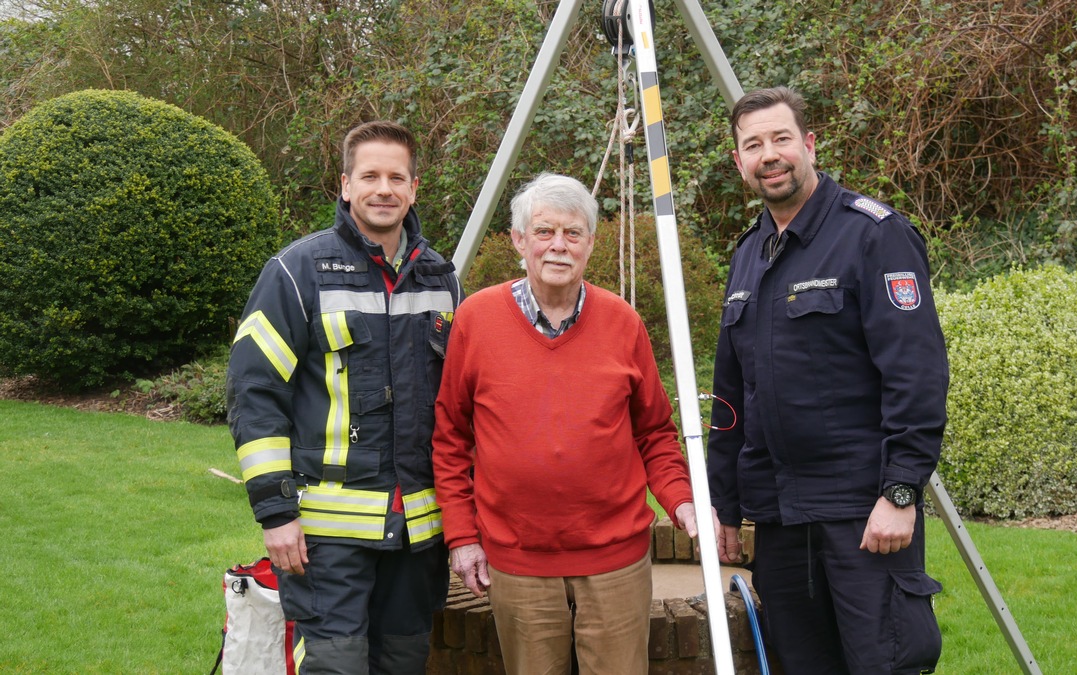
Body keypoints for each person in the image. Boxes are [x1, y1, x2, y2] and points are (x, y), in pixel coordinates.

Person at [707, 86, 949, 674]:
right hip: (782, 521)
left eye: (781, 138)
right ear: (740, 161)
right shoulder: (748, 257)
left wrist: (900, 492)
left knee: (882, 663)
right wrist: (725, 506)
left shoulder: (873, 235)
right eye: (753, 144)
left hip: (862, 515)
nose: (769, 154)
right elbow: (731, 396)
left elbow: (915, 374)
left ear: (810, 145)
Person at [432, 172, 699, 675]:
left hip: (616, 560)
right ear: (518, 240)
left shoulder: (623, 322)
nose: (558, 246)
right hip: (518, 562)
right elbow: (450, 440)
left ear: (591, 245)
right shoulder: (476, 320)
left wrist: (680, 501)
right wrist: (463, 537)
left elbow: (654, 432)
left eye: (573, 233)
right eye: (544, 232)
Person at [226, 121, 462, 674]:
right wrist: (275, 512)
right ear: (345, 185)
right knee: (337, 665)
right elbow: (254, 393)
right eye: (370, 176)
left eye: (396, 177)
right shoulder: (296, 271)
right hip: (325, 536)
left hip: (418, 532)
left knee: (404, 662)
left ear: (414, 188)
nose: (384, 188)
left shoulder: (441, 278)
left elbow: (462, 404)